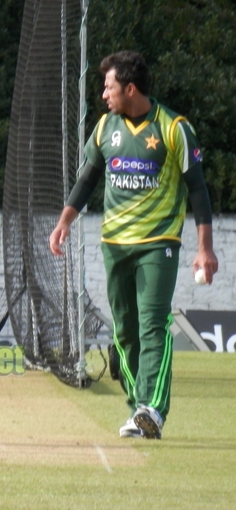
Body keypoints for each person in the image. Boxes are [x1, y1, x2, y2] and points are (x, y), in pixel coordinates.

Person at [48, 51, 218, 440]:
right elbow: (88, 178)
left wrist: (204, 248)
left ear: (129, 87)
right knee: (125, 332)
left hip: (158, 245)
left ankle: (152, 410)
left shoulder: (174, 128)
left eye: (108, 86)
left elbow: (198, 190)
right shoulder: (106, 127)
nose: (104, 95)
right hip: (115, 246)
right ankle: (138, 407)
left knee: (153, 324)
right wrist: (64, 223)